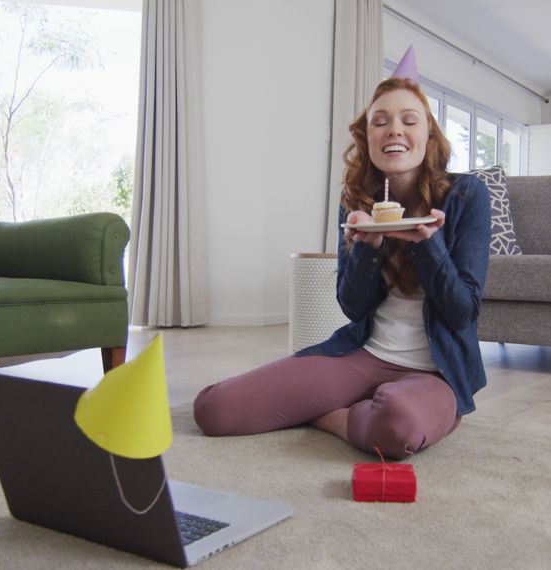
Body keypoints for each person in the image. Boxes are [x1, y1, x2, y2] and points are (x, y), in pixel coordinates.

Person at [193, 48, 490, 459]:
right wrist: (366, 251)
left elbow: (463, 312)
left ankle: (334, 416)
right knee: (215, 410)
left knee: (397, 426)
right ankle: (359, 410)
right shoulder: (358, 202)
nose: (394, 130)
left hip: (435, 371)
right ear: (367, 137)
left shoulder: (466, 195)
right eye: (379, 122)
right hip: (363, 355)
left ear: (429, 136)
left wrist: (429, 246)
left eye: (409, 120)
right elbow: (353, 308)